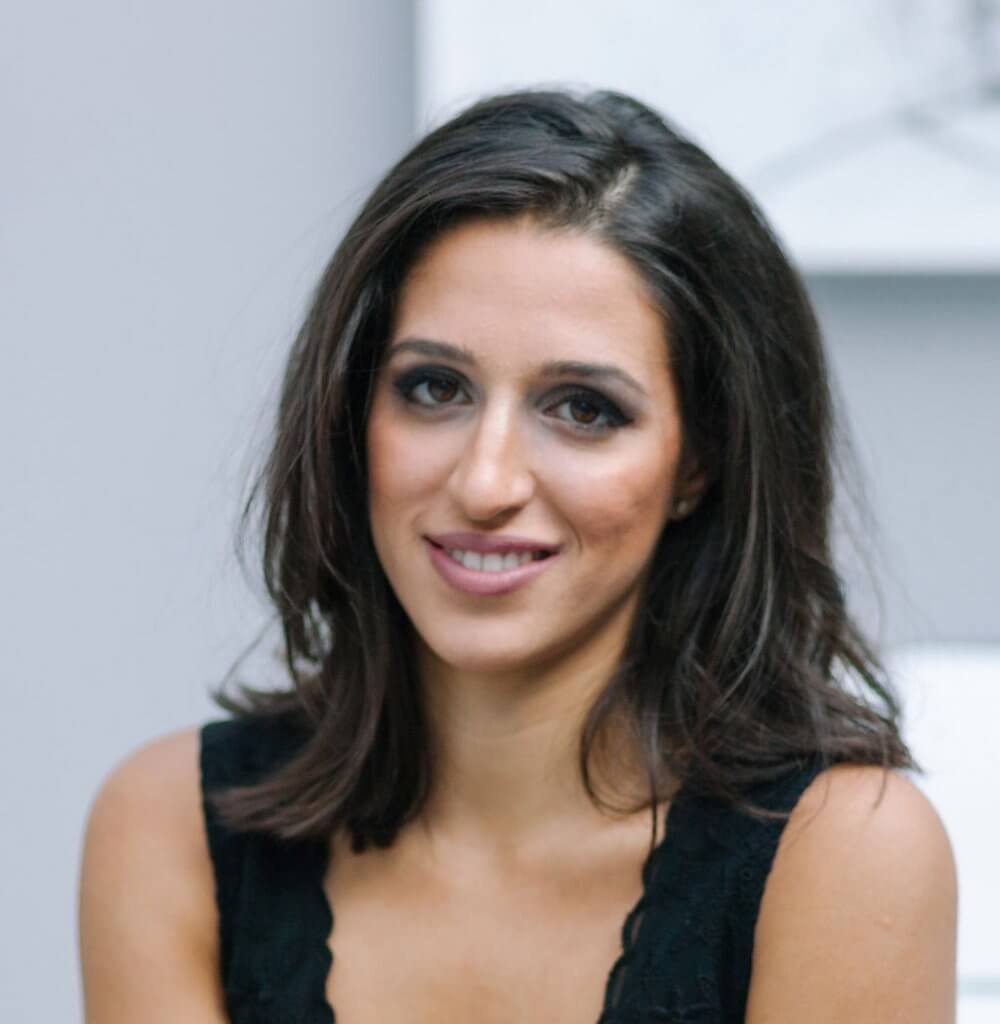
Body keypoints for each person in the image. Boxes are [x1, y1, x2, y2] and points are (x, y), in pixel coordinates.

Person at [78, 88, 957, 1023]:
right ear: (351, 413)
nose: (485, 482)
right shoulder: (168, 828)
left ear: (698, 462)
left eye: (583, 409)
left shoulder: (844, 854)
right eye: (434, 388)